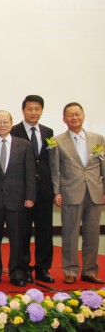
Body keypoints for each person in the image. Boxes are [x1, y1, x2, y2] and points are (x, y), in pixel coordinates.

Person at [50, 102, 105, 285]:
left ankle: (90, 270)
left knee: (92, 233)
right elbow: (55, 169)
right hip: (70, 192)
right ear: (64, 119)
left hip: (94, 192)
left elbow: (103, 167)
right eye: (70, 115)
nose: (74, 117)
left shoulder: (98, 139)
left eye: (77, 114)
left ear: (83, 115)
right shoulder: (57, 141)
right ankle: (70, 271)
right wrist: (57, 191)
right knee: (70, 233)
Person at [0, 110, 36, 287]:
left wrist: (30, 196)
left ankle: (17, 273)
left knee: (17, 239)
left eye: (5, 122)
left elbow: (30, 173)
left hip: (18, 200)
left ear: (11, 123)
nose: (2, 125)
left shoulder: (24, 145)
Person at [10, 95, 55, 283]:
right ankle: (24, 268)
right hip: (22, 192)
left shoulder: (48, 131)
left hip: (44, 190)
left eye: (37, 109)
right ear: (23, 110)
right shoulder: (14, 131)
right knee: (23, 232)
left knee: (45, 232)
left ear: (42, 110)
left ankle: (43, 269)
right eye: (30, 109)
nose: (33, 113)